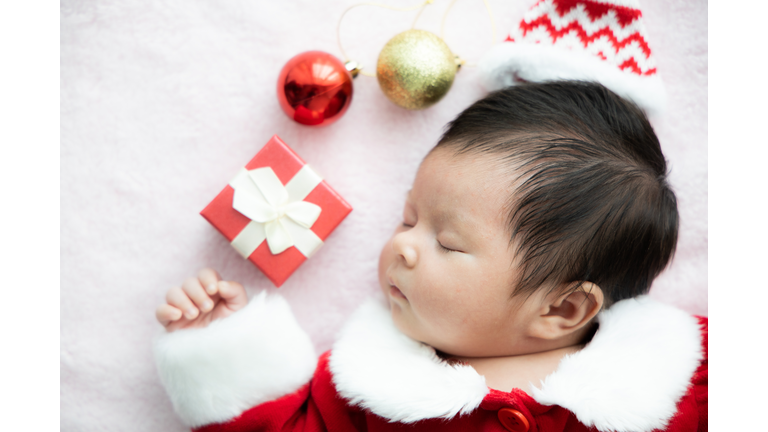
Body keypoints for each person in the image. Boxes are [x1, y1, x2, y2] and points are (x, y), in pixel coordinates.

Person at [154, 81, 708, 432]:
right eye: (409, 218)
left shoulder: (681, 384)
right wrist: (226, 350)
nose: (403, 246)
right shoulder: (368, 390)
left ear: (562, 310)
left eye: (447, 243)